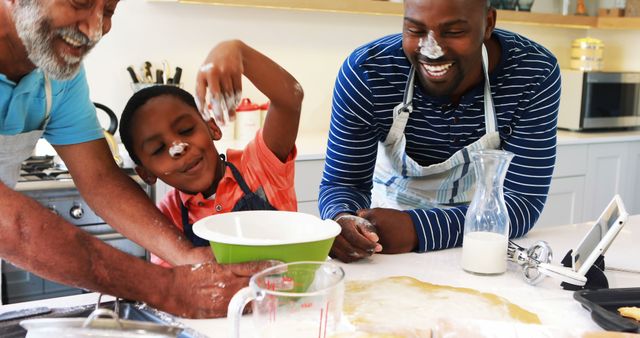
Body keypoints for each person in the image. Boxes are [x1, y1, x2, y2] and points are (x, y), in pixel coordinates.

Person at [0, 0, 275, 318]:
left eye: (109, 10)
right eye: (81, 2)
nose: (95, 29)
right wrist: (166, 288)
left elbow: (100, 179)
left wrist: (190, 259)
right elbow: (14, 225)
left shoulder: (57, 76)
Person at [319, 0, 561, 263]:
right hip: (384, 244)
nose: (431, 49)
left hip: (480, 244)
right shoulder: (368, 72)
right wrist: (343, 220)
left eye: (454, 32)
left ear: (488, 23)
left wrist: (416, 229)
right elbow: (344, 183)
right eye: (415, 30)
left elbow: (522, 203)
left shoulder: (533, 73)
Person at [119, 40, 303, 267]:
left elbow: (290, 100)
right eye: (158, 149)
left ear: (212, 127)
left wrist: (238, 52)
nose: (179, 148)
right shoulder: (167, 218)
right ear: (147, 174)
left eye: (186, 130)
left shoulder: (259, 167)